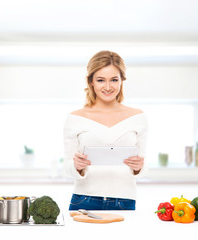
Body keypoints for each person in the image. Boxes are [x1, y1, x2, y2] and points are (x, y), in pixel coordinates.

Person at [63, 50, 148, 211]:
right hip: (83, 200)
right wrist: (77, 166)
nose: (108, 87)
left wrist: (139, 167)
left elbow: (143, 167)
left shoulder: (138, 117)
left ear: (122, 80)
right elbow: (67, 167)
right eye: (101, 80)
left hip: (124, 200)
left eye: (114, 80)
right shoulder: (74, 118)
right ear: (91, 82)